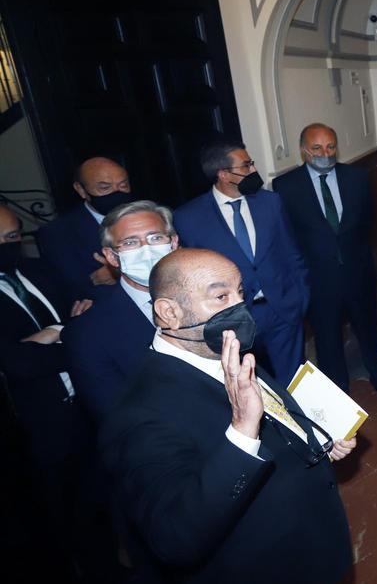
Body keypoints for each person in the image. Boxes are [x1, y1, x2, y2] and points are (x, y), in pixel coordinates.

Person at [101, 248, 356, 582]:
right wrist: (241, 431)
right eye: (220, 296)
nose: (238, 307)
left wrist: (315, 441)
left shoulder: (226, 348)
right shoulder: (138, 416)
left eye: (240, 293)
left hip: (315, 546)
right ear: (168, 313)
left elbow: (276, 421)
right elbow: (175, 538)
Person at [1, 204, 119, 583]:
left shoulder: (37, 269)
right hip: (38, 427)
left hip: (87, 406)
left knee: (104, 503)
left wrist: (52, 335)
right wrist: (68, 329)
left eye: (12, 237)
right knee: (60, 518)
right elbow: (19, 364)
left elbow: (91, 318)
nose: (10, 245)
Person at [173, 143, 310, 380]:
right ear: (223, 174)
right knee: (248, 385)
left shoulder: (271, 202)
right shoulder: (188, 217)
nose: (253, 169)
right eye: (246, 165)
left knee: (295, 383)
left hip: (282, 308)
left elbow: (291, 254)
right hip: (232, 318)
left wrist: (301, 299)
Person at [274, 123, 377, 393]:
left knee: (370, 331)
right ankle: (338, 392)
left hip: (357, 273)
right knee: (327, 340)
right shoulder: (285, 186)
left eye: (330, 147)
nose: (325, 153)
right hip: (317, 279)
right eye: (317, 148)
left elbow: (367, 222)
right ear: (304, 151)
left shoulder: (357, 178)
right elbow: (286, 235)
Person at [62, 200, 176, 420]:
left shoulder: (212, 302)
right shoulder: (86, 333)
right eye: (131, 242)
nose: (147, 250)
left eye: (155, 238)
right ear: (112, 257)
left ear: (173, 243)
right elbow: (115, 417)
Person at [36, 156, 132, 300]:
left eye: (123, 185)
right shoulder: (58, 233)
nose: (116, 192)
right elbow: (68, 289)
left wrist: (122, 271)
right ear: (81, 190)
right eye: (105, 188)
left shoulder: (152, 214)